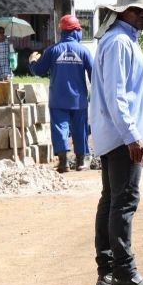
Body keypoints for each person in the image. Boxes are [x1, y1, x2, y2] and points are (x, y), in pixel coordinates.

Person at [90, 0, 143, 285]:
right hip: (121, 136)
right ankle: (124, 271)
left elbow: (133, 95)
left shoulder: (118, 41)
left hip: (114, 134)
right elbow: (117, 96)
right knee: (124, 202)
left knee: (111, 201)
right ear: (124, 12)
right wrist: (134, 136)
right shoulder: (119, 42)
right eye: (140, 12)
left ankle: (107, 270)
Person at [29, 15, 94, 173]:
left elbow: (39, 70)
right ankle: (81, 162)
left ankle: (63, 162)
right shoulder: (84, 51)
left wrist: (32, 60)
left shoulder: (52, 50)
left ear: (63, 32)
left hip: (58, 99)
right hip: (79, 100)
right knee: (80, 128)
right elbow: (95, 76)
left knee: (60, 128)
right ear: (75, 31)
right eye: (79, 29)